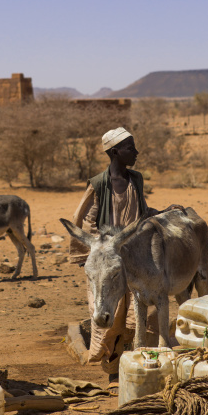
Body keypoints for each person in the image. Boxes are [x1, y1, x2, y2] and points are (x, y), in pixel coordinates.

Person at [69, 127, 163, 383]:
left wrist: (163, 212)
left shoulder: (137, 179)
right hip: (107, 264)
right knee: (111, 319)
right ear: (114, 152)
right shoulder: (98, 184)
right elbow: (84, 221)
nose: (136, 152)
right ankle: (114, 376)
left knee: (144, 313)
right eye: (131, 148)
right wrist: (89, 258)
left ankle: (142, 371)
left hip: (136, 260)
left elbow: (142, 212)